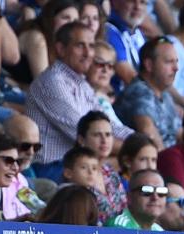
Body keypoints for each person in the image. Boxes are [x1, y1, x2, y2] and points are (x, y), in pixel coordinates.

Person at [26, 22, 133, 181]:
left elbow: (110, 126)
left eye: (91, 46)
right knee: (133, 164)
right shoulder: (52, 82)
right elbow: (89, 137)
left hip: (81, 165)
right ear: (61, 49)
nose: (88, 53)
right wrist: (136, 150)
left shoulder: (81, 84)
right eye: (80, 46)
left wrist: (141, 142)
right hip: (54, 170)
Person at [113, 36, 181, 150]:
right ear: (149, 65)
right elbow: (150, 136)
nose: (176, 68)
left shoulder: (164, 95)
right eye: (169, 62)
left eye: (176, 62)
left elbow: (180, 134)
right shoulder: (138, 92)